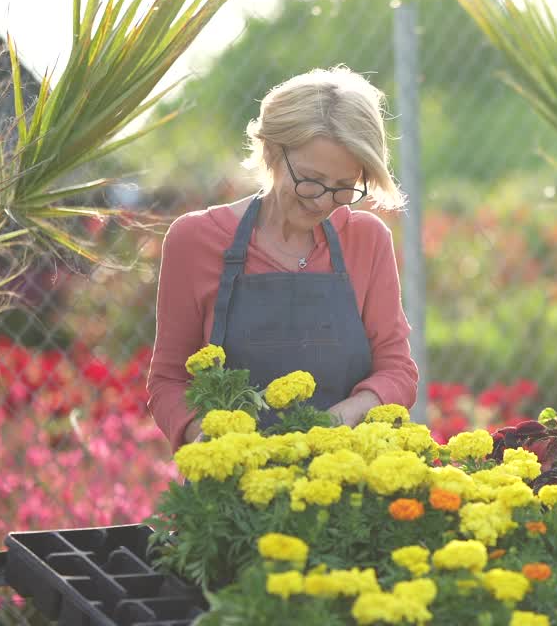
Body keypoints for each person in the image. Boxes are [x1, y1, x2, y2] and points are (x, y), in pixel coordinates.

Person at [145, 66, 419, 449]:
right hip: (233, 488)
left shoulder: (367, 240)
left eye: (344, 188)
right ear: (271, 150)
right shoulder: (195, 240)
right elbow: (169, 380)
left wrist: (350, 414)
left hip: (348, 475)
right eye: (310, 179)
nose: (323, 202)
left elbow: (397, 369)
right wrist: (208, 438)